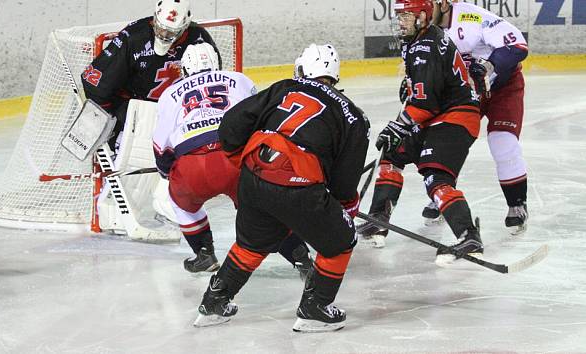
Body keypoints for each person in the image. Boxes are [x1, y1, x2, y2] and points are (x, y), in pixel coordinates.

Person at [192, 43, 370, 332]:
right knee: (342, 240)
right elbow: (346, 179)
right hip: (298, 187)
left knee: (251, 244)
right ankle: (315, 309)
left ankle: (213, 304)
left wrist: (244, 162)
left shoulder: (285, 86)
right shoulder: (353, 115)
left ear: (304, 70)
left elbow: (233, 123)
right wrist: (343, 208)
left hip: (254, 178)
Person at [153, 43, 313, 275]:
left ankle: (204, 253)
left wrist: (168, 172)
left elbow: (161, 146)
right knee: (265, 211)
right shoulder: (238, 79)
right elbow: (262, 120)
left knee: (181, 203)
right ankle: (302, 258)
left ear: (185, 69)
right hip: (236, 159)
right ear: (216, 63)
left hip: (193, 166)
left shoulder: (169, 94)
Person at [358, 0, 483, 265]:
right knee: (393, 152)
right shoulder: (419, 38)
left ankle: (469, 236)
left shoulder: (424, 45)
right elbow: (428, 86)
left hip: (455, 117)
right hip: (438, 114)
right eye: (400, 16)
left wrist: (398, 125)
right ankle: (379, 220)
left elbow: (426, 104)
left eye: (407, 16)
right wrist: (412, 85)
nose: (401, 21)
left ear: (424, 17)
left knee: (435, 176)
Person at [425, 0, 529, 235]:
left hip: (503, 87)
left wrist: (489, 66)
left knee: (503, 142)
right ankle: (443, 195)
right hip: (464, 90)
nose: (422, 9)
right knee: (449, 140)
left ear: (442, 4)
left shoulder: (470, 18)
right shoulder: (425, 30)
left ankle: (517, 204)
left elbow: (517, 44)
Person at [81, 0, 221, 149]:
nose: (164, 35)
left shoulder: (199, 38)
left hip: (180, 112)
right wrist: (108, 122)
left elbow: (211, 81)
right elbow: (97, 84)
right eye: (160, 28)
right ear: (154, 18)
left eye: (171, 32)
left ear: (185, 26)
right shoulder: (134, 37)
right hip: (136, 112)